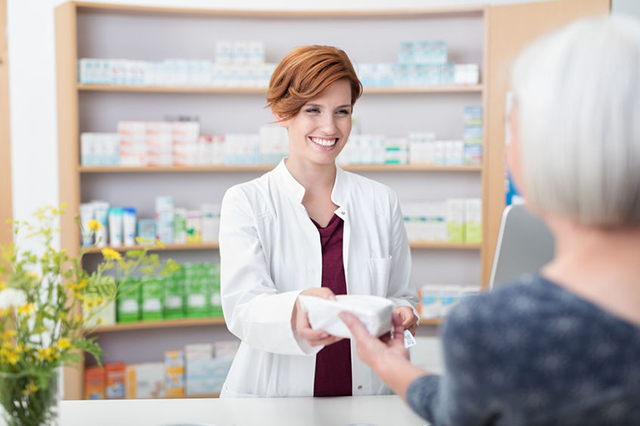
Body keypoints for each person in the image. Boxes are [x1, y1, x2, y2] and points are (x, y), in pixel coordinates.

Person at [341, 15, 640, 425]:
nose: (509, 150)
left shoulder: (504, 328)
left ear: (553, 153)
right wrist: (390, 366)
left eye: (514, 131)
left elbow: (467, 415)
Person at [218, 45, 419, 398]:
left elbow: (398, 293)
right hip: (274, 402)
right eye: (313, 110)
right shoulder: (247, 201)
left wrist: (403, 312)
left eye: (342, 111)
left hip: (366, 397)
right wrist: (297, 311)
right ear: (283, 113)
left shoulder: (380, 201)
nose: (330, 127)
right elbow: (243, 309)